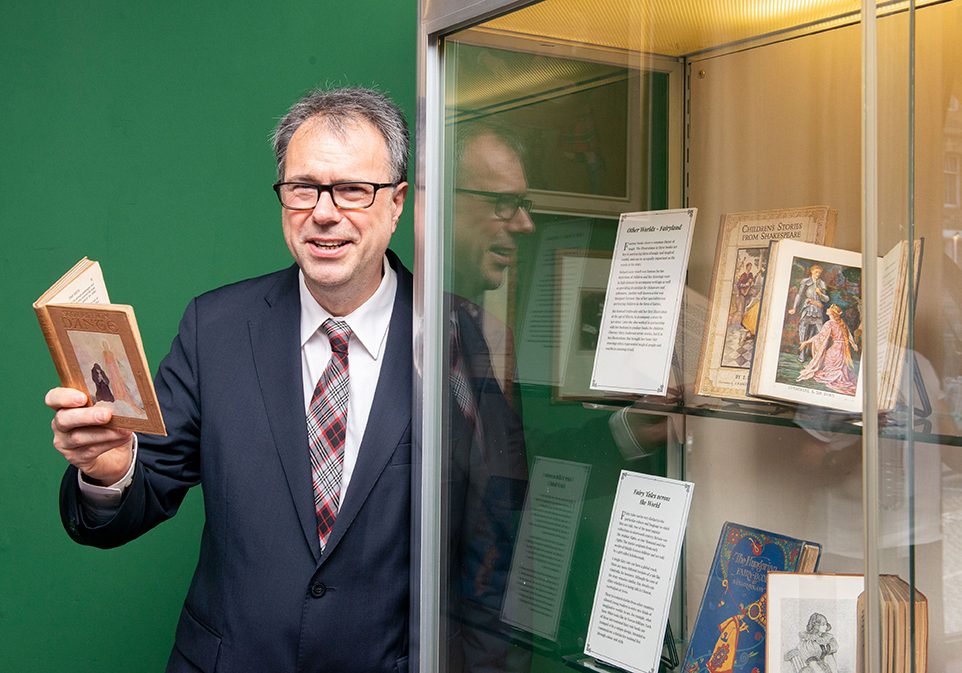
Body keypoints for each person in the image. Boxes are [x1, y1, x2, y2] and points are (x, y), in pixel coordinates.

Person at [46, 87, 412, 673]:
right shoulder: (213, 328)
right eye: (303, 188)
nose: (323, 212)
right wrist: (110, 472)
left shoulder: (460, 339)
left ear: (397, 204)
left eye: (353, 190)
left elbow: (495, 546)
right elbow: (142, 489)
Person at [446, 123, 534, 672]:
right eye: (504, 203)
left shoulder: (484, 334)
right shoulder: (374, 337)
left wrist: (625, 432)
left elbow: (506, 480)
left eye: (523, 204)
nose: (524, 225)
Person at [795, 303, 859, 395]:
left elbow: (819, 337)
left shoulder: (829, 324)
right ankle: (838, 373)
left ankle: (836, 374)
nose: (827, 309)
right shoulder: (841, 323)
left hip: (835, 350)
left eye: (829, 308)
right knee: (832, 364)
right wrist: (853, 345)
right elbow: (849, 336)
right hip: (843, 351)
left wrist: (806, 342)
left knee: (827, 361)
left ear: (832, 313)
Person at [788, 263, 829, 363]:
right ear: (812, 272)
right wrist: (794, 308)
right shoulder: (805, 282)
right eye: (816, 272)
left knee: (819, 333)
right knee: (803, 331)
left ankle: (817, 356)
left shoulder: (822, 283)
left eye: (819, 273)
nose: (818, 274)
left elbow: (826, 299)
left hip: (818, 310)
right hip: (807, 309)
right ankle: (802, 354)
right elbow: (799, 295)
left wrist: (820, 293)